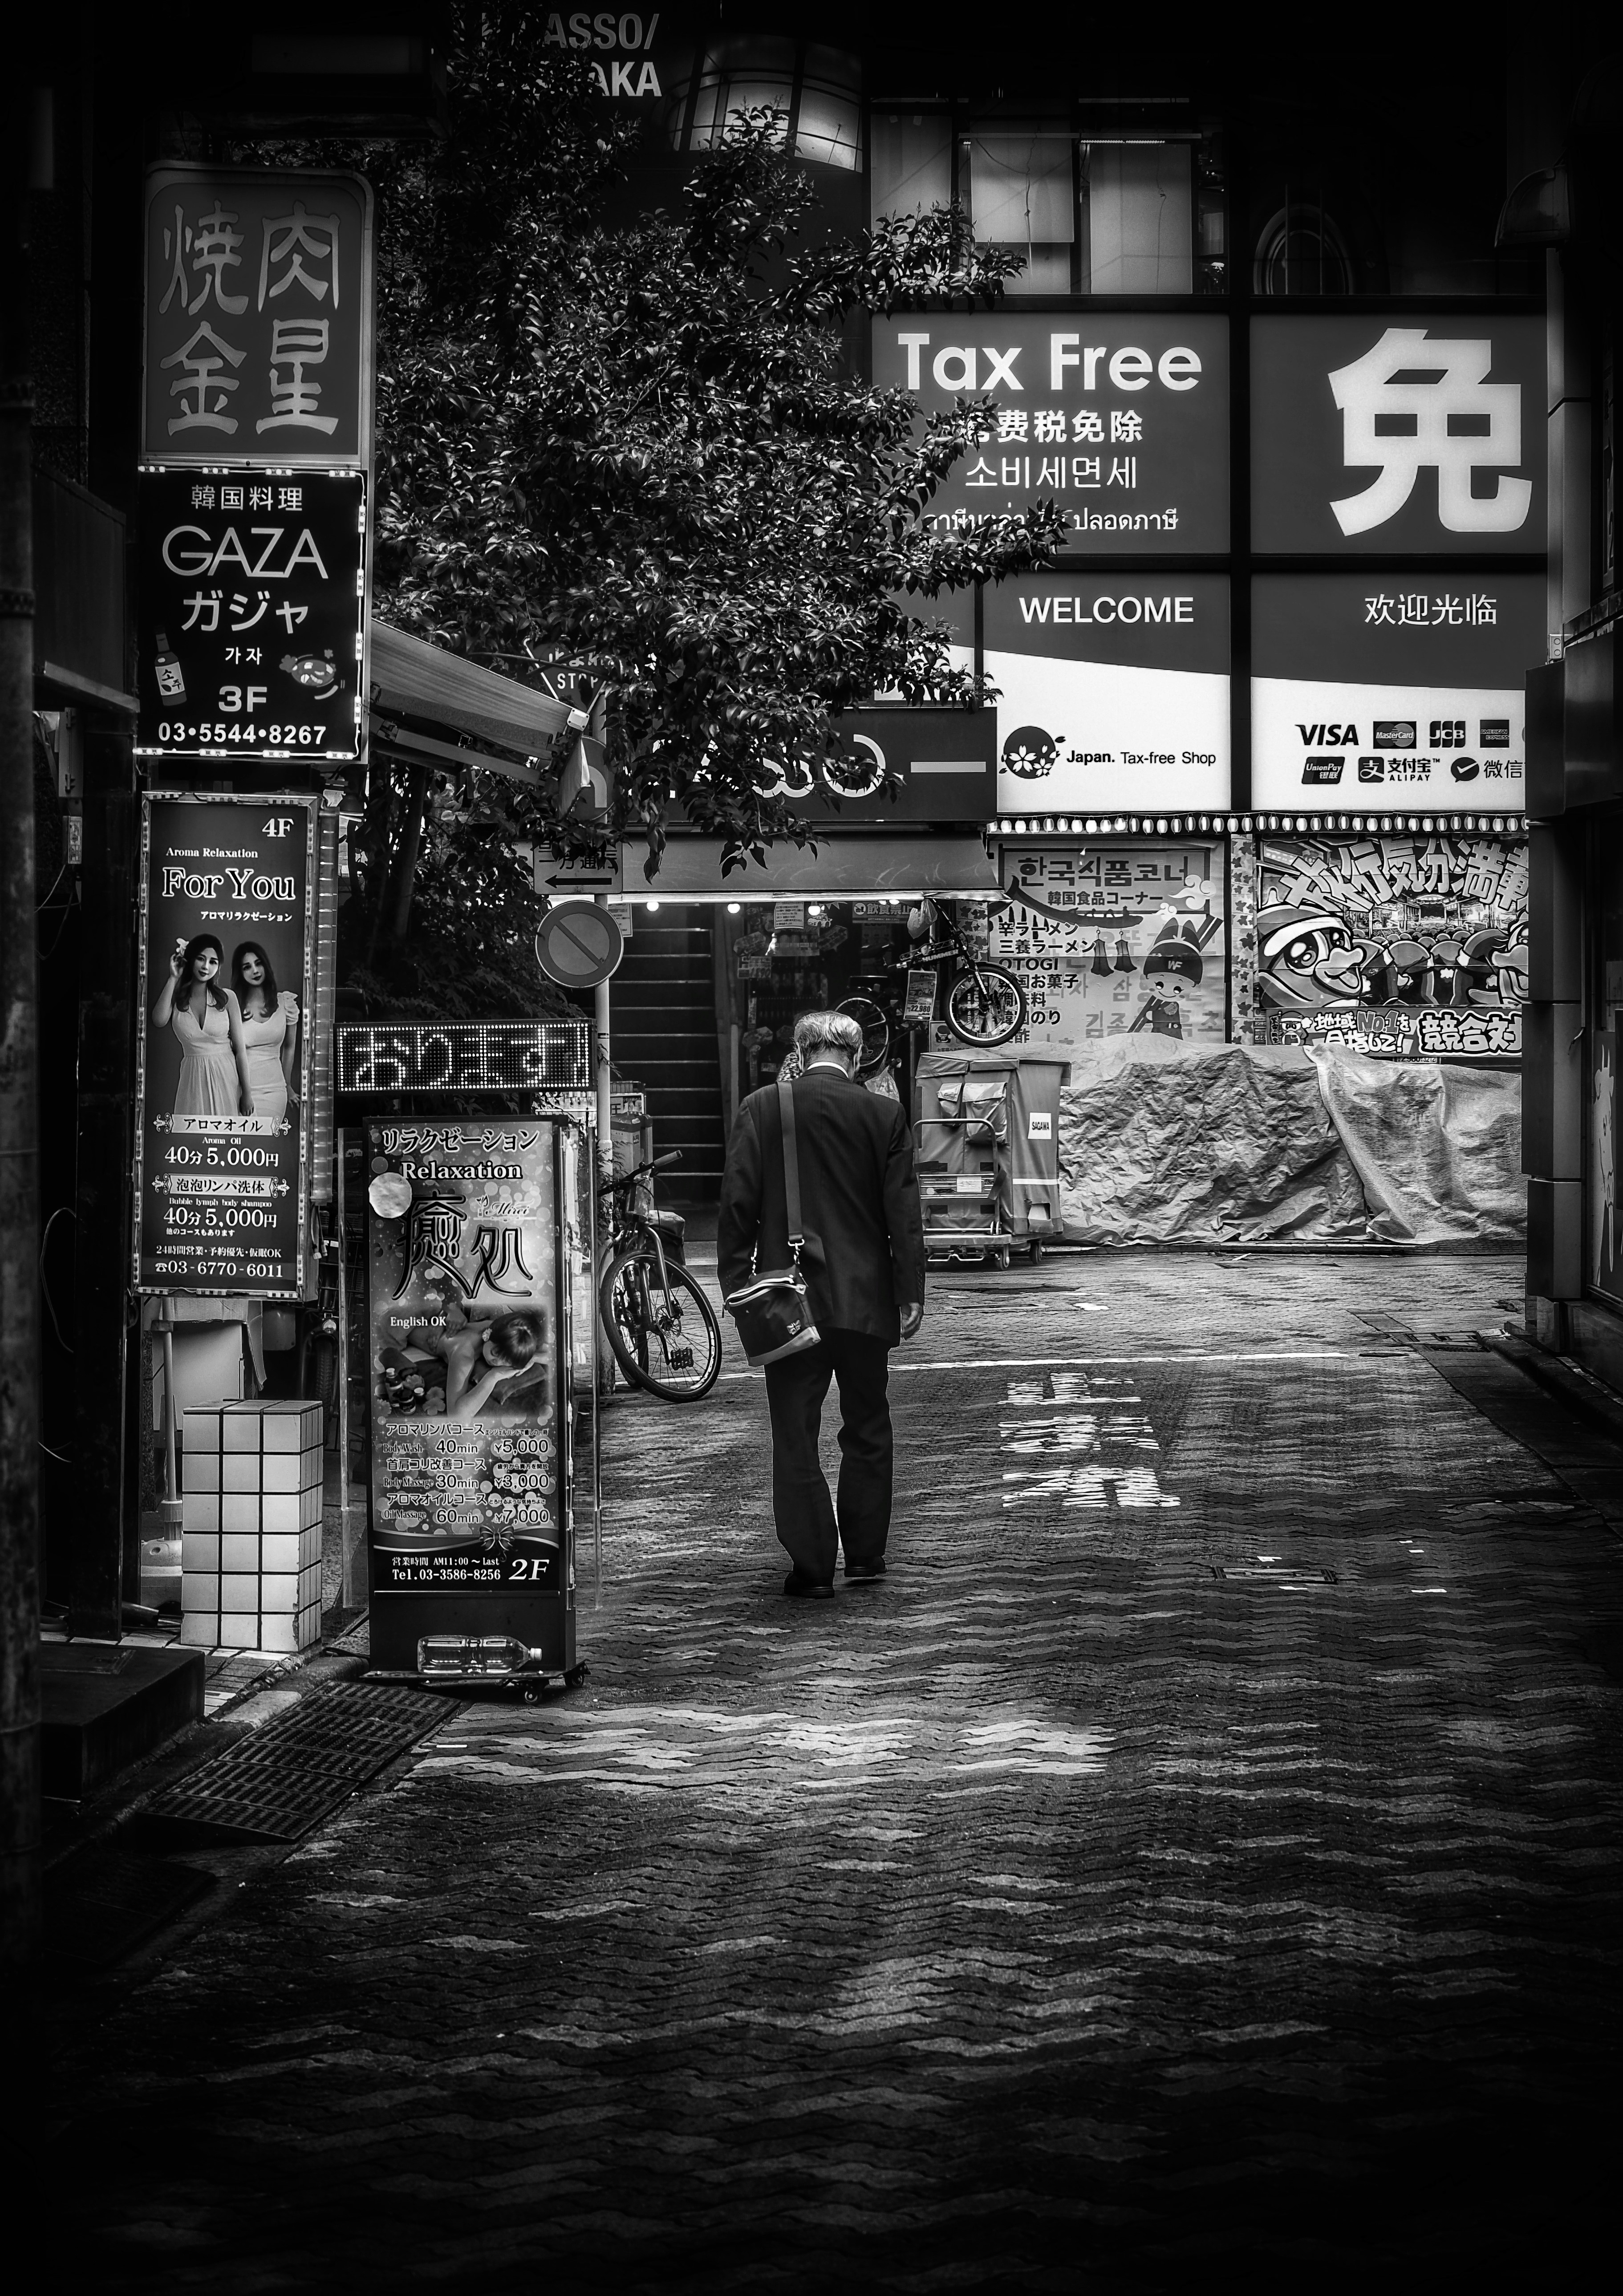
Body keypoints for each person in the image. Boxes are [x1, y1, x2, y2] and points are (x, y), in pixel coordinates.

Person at [718, 1007, 925, 1599]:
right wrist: (909, 1290)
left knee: (795, 1433)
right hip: (865, 1301)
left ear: (800, 1051)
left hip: (787, 1301)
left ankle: (811, 1567)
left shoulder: (763, 1107)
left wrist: (738, 1287)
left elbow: (736, 1204)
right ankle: (865, 1556)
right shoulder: (883, 1113)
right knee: (867, 1425)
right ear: (857, 1058)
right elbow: (902, 1215)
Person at [151, 933, 255, 1119]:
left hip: (226, 1076)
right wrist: (173, 978)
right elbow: (158, 1021)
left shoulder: (227, 998)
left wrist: (247, 1093)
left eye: (213, 962)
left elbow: (240, 1050)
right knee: (192, 1136)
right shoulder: (176, 998)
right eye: (201, 959)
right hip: (192, 1078)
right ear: (190, 960)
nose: (206, 967)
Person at [231, 941, 299, 1125]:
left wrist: (288, 1085)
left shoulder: (286, 1002)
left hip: (275, 1091)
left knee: (266, 1141)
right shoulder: (233, 1006)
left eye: (259, 963)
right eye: (247, 967)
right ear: (241, 973)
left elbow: (290, 1046)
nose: (255, 970)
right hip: (238, 1091)